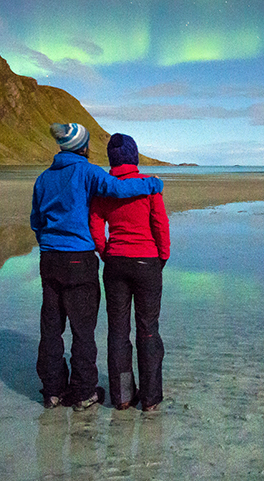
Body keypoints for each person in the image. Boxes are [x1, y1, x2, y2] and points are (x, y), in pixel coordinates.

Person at [30, 123, 164, 411]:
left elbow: (36, 222)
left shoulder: (42, 179)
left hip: (50, 259)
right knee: (84, 329)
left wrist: (102, 251)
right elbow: (118, 189)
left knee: (52, 327)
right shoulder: (88, 172)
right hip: (81, 259)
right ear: (84, 147)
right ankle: (84, 394)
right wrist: (153, 184)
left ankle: (56, 392)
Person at [89, 133, 170, 412]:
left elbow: (95, 224)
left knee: (118, 331)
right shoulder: (148, 186)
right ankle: (150, 399)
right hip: (147, 262)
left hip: (115, 263)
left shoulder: (105, 188)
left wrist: (105, 251)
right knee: (148, 329)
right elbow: (160, 224)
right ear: (134, 156)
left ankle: (123, 397)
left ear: (112, 159)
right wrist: (163, 255)